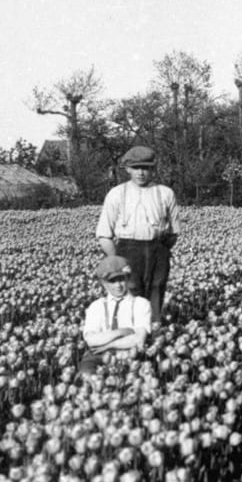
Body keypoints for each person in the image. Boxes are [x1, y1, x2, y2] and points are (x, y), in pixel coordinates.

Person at [95, 146, 179, 325]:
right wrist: (117, 261)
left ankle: (154, 338)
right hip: (127, 250)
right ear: (127, 169)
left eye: (146, 168)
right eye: (136, 168)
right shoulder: (116, 194)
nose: (141, 173)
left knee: (156, 290)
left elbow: (173, 232)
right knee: (130, 293)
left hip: (158, 249)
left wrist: (161, 250)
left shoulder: (166, 193)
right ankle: (131, 340)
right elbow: (104, 234)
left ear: (153, 169)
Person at [80, 255, 153, 376]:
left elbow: (139, 339)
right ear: (103, 283)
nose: (118, 285)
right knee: (84, 377)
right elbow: (91, 341)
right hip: (98, 355)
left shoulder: (141, 304)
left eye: (121, 279)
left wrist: (108, 345)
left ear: (128, 278)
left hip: (130, 354)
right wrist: (124, 331)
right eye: (112, 281)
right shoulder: (96, 306)